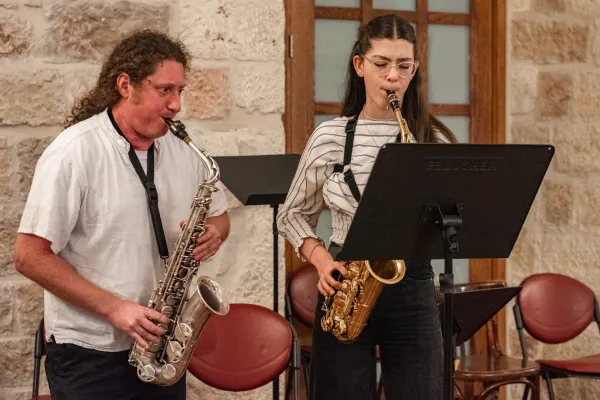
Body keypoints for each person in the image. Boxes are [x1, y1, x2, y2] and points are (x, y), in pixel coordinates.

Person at [14, 29, 230, 400]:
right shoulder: (73, 153)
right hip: (89, 352)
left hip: (161, 345)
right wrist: (114, 308)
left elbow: (220, 218)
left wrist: (215, 232)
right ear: (125, 85)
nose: (176, 105)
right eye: (165, 90)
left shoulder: (183, 152)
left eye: (180, 91)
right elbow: (28, 257)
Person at [277, 14, 457, 400]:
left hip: (413, 283)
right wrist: (322, 261)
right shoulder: (329, 136)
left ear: (414, 70)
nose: (393, 76)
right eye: (381, 64)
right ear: (360, 66)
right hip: (345, 277)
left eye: (403, 66)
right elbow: (292, 214)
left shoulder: (432, 138)